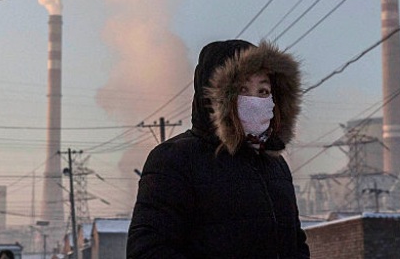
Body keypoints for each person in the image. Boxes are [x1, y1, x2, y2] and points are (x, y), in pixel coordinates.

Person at [127, 39, 310, 258]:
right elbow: (149, 251)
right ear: (216, 97)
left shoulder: (275, 165)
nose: (255, 101)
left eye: (263, 91)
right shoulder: (175, 160)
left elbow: (296, 245)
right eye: (242, 89)